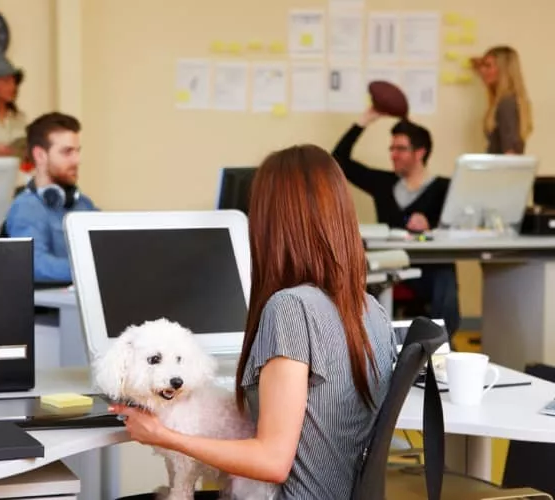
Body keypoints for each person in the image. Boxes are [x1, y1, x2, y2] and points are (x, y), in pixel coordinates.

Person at [109, 145, 397, 499]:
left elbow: (272, 461)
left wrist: (164, 436)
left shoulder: (290, 308)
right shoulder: (372, 310)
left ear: (271, 222)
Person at [332, 110, 460, 338]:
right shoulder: (383, 183)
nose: (393, 155)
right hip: (390, 265)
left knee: (445, 273)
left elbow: (457, 227)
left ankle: (441, 343)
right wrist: (366, 119)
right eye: (391, 149)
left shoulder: (444, 188)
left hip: (427, 269)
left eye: (400, 149)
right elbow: (339, 159)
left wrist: (430, 226)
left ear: (420, 152)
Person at [4, 112, 97, 283]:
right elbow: (35, 264)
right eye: (67, 152)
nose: (77, 160)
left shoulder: (84, 204)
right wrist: (94, 269)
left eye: (77, 151)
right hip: (55, 308)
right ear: (40, 155)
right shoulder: (26, 207)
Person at [473, 46, 532, 154]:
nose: (482, 70)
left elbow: (510, 153)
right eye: (482, 66)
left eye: (488, 66)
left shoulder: (506, 104)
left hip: (502, 170)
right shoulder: (508, 101)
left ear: (503, 70)